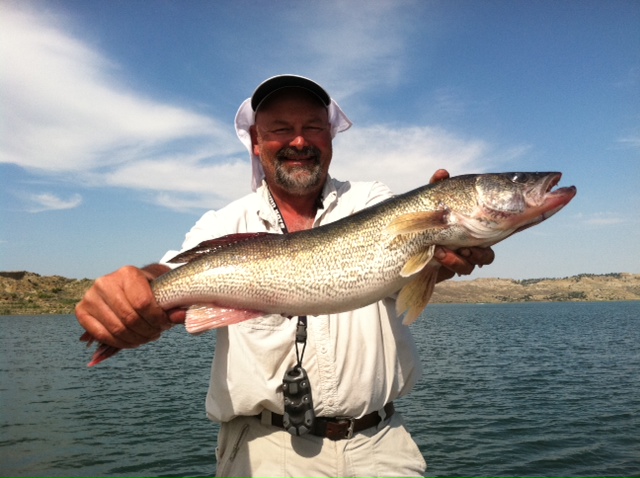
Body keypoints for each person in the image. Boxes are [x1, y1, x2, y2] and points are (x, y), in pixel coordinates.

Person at [76, 75, 494, 477]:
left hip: (380, 446)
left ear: (330, 140)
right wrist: (133, 292)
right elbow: (169, 273)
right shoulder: (224, 221)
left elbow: (412, 267)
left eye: (313, 127)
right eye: (281, 129)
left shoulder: (372, 200)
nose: (299, 140)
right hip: (264, 448)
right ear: (257, 143)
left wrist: (442, 254)